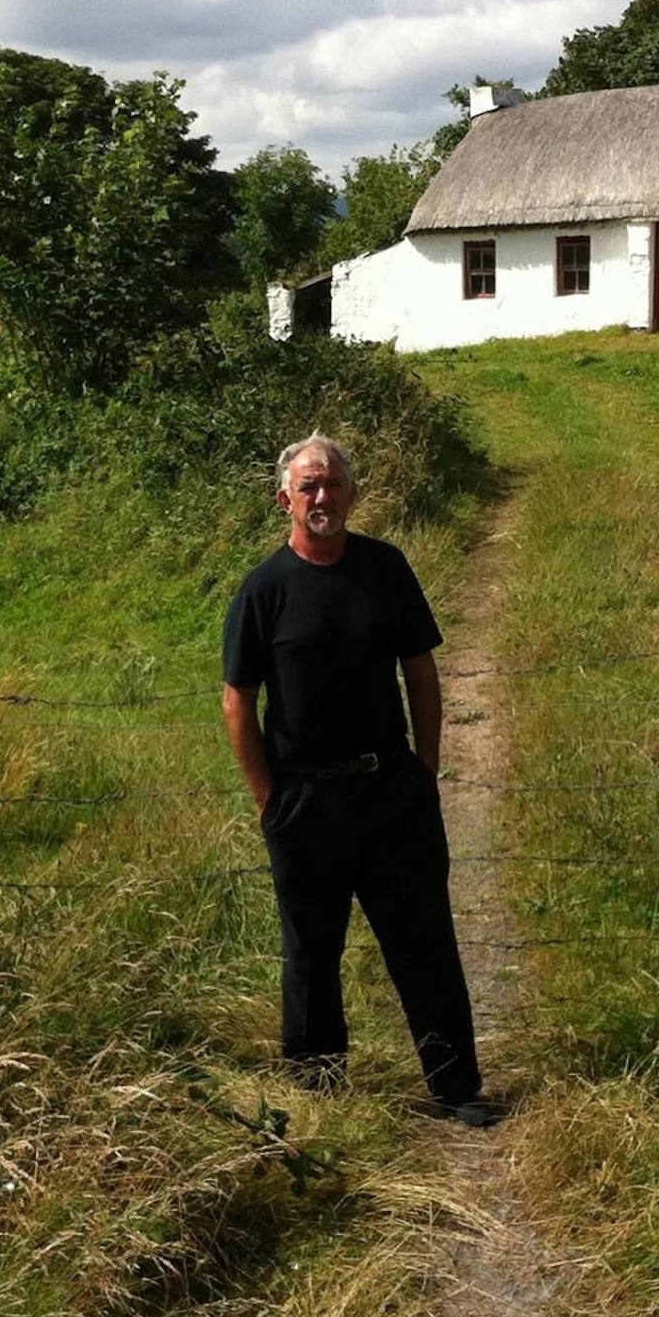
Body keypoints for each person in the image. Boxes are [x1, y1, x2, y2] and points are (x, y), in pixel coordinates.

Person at [221, 432, 492, 1124]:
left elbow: (421, 670)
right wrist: (268, 801)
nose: (322, 496)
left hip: (389, 790)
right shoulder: (263, 590)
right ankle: (318, 1100)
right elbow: (237, 699)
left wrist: (424, 774)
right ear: (284, 498)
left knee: (424, 941)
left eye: (333, 483)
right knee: (311, 955)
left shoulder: (386, 568)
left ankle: (457, 1089)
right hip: (304, 801)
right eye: (308, 485)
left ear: (353, 493)